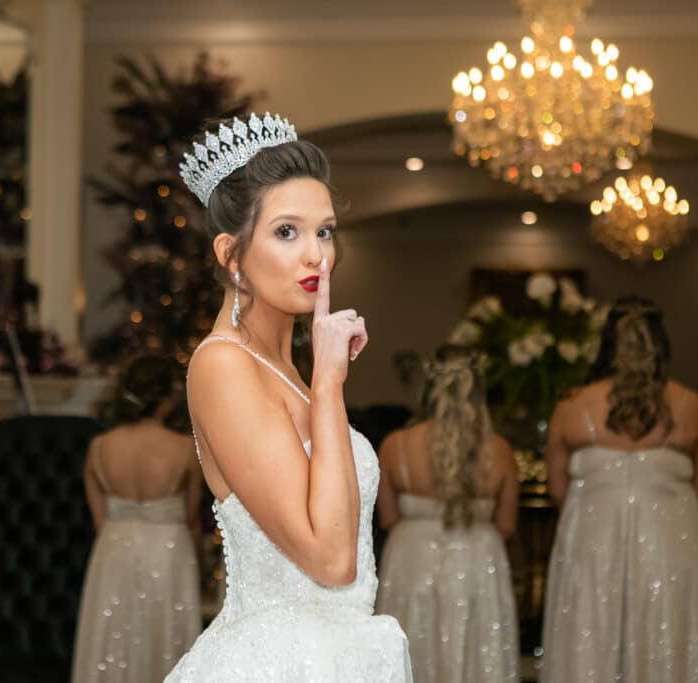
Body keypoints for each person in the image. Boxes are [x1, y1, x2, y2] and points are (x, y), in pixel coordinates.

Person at [163, 113, 411, 682]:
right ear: (230, 254)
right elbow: (331, 558)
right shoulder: (222, 365)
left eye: (324, 231)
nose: (316, 256)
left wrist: (321, 380)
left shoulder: (289, 371)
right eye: (286, 232)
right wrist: (329, 382)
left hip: (336, 657)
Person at [540, 297, 698, 683]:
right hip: (673, 542)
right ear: (662, 343)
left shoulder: (572, 406)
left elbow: (557, 490)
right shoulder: (693, 407)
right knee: (670, 632)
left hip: (592, 544)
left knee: (590, 630)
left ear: (606, 343)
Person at [376, 346, 520, 682]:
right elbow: (507, 524)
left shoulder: (396, 445)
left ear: (427, 389)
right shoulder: (499, 450)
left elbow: (387, 518)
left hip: (411, 560)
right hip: (477, 562)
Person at [72, 353, 202, 682]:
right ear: (166, 398)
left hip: (113, 553)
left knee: (111, 641)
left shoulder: (99, 447)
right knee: (166, 641)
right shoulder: (186, 448)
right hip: (169, 555)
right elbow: (191, 518)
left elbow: (100, 520)